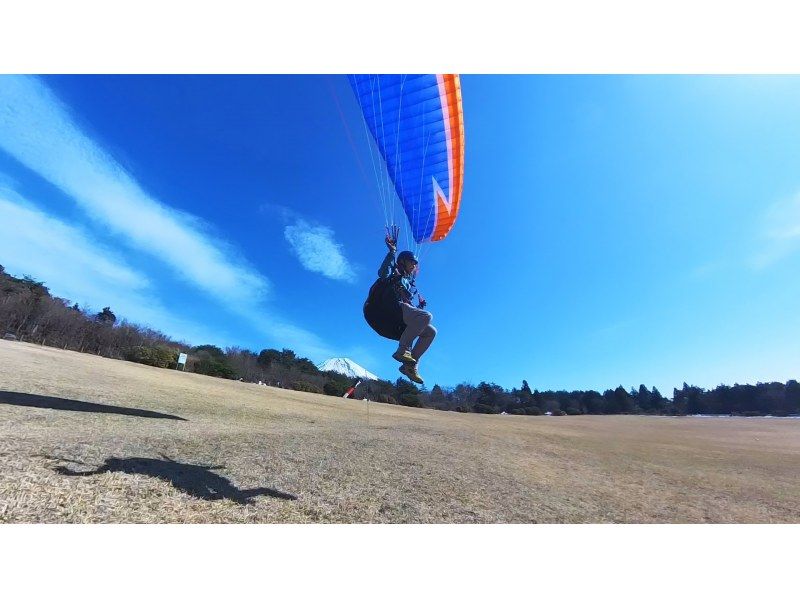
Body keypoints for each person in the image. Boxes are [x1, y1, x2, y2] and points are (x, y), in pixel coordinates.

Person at [376, 233, 436, 384]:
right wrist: (391, 252)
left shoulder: (409, 282)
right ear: (402, 262)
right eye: (412, 262)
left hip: (403, 311)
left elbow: (409, 307)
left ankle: (410, 365)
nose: (414, 265)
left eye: (415, 263)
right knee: (426, 316)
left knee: (431, 332)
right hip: (390, 307)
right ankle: (402, 350)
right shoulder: (394, 272)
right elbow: (382, 274)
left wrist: (419, 307)